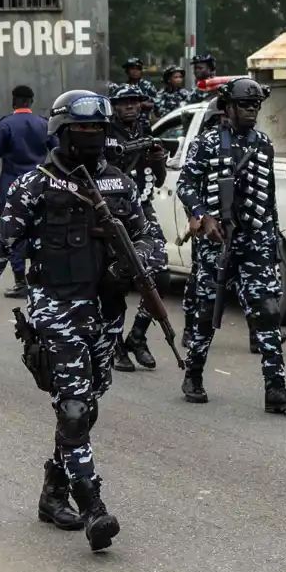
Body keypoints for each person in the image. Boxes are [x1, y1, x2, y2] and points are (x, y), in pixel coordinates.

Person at [0, 89, 162, 552]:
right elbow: (0, 247)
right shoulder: (34, 185)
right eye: (81, 128)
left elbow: (152, 238)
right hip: (56, 308)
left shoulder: (119, 184)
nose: (91, 136)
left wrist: (134, 263)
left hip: (106, 312)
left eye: (98, 129)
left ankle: (52, 492)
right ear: (62, 133)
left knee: (86, 408)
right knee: (72, 408)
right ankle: (93, 507)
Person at [178, 77, 286, 413]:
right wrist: (203, 216)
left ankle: (275, 390)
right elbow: (185, 184)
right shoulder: (207, 143)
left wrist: (271, 237)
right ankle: (193, 375)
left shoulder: (262, 143)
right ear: (228, 107)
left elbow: (269, 196)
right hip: (217, 241)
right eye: (245, 105)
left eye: (255, 105)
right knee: (206, 312)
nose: (251, 110)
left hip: (256, 240)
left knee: (268, 311)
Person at [105, 84, 170, 372]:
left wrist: (158, 160)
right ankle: (115, 343)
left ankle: (138, 336)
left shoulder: (145, 130)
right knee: (116, 279)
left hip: (142, 208)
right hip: (112, 211)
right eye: (124, 102)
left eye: (134, 101)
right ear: (115, 106)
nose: (131, 106)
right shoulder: (106, 132)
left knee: (161, 274)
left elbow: (159, 179)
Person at [0, 85, 51, 299]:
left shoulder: (6, 124)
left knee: (13, 233)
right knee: (39, 232)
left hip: (13, 186)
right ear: (31, 101)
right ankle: (38, 279)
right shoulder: (44, 124)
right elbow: (57, 150)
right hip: (40, 185)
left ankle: (20, 282)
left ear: (14, 101)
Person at [118, 58, 158, 123]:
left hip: (144, 122)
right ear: (127, 71)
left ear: (141, 71)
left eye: (137, 69)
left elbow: (157, 104)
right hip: (126, 123)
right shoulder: (122, 88)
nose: (135, 71)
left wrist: (144, 105)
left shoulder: (148, 86)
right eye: (132, 69)